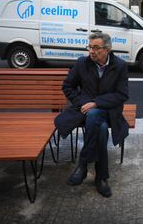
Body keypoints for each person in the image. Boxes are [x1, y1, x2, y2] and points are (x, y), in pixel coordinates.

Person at [54, 33, 129, 198]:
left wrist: (96, 102)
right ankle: (101, 177)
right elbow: (68, 87)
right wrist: (83, 103)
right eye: (90, 47)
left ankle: (83, 164)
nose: (91, 51)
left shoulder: (120, 65)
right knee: (100, 129)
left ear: (107, 49)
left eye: (96, 47)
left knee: (95, 114)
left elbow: (122, 94)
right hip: (85, 110)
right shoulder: (82, 63)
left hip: (109, 110)